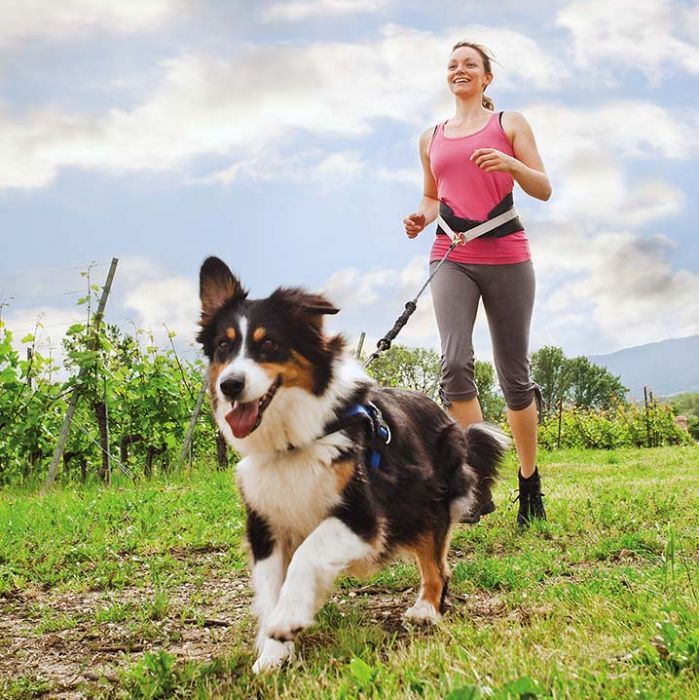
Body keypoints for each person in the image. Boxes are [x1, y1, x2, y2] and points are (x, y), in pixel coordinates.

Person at [403, 40, 552, 527]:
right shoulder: (431, 137)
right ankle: (477, 481)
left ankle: (529, 482)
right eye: (452, 65)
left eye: (470, 64)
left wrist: (510, 164)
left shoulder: (509, 123)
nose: (459, 70)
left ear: (486, 78)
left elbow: (543, 188)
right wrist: (421, 217)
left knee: (514, 375)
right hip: (450, 253)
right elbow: (432, 195)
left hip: (506, 252)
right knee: (454, 364)